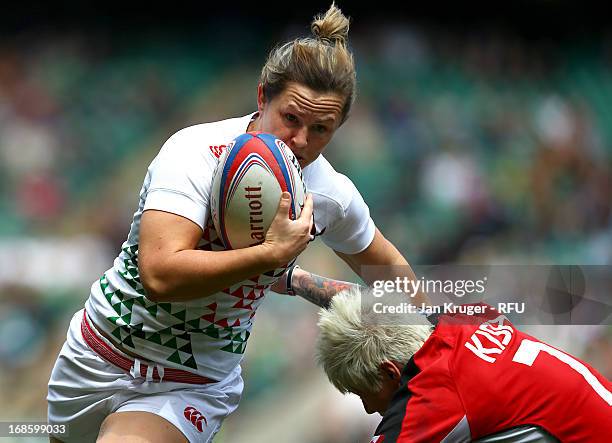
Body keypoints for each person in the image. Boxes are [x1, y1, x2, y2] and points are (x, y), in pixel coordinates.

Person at [47, 4, 425, 443]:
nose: (301, 142)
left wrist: (439, 340)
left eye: (321, 129)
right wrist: (270, 257)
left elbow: (392, 273)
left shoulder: (331, 195)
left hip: (189, 384)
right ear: (263, 97)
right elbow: (159, 275)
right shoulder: (193, 153)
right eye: (291, 119)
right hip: (96, 356)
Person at [316, 289, 612, 442]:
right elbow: (378, 311)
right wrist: (291, 280)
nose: (367, 408)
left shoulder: (436, 395)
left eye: (361, 393)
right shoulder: (463, 319)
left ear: (390, 372)